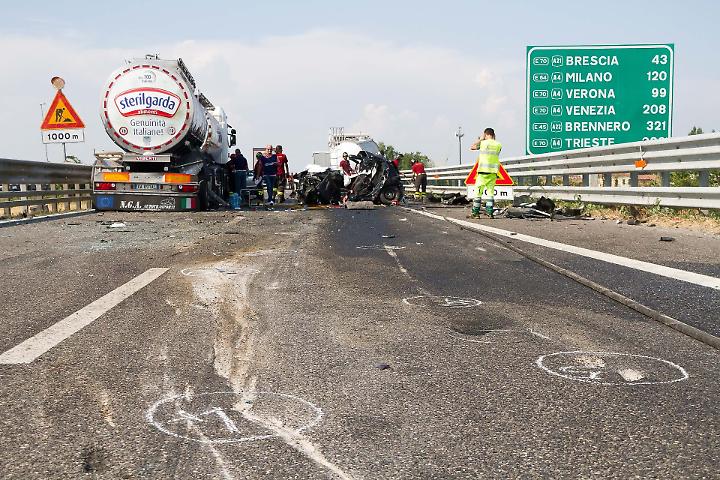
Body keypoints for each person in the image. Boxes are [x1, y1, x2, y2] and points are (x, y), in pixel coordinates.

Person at [469, 127, 502, 218]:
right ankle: (490, 212)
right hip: (493, 172)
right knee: (490, 193)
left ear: (485, 134)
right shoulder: (498, 144)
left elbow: (472, 147)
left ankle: (475, 213)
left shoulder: (482, 143)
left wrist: (480, 139)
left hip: (483, 172)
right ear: (493, 134)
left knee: (478, 192)